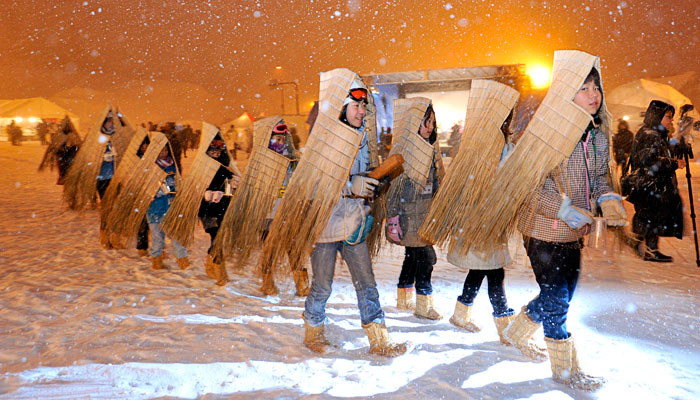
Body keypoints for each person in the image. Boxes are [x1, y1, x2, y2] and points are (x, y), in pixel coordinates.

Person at [504, 67, 624, 390]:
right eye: (584, 88)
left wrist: (608, 198)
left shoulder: (596, 136)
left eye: (596, 87)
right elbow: (528, 184)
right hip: (541, 228)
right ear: (567, 93)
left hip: (573, 232)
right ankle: (566, 370)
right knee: (557, 299)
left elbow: (598, 177)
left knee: (563, 293)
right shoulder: (547, 132)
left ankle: (516, 332)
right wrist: (563, 209)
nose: (593, 94)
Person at [303, 77, 408, 357]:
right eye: (356, 105)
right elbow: (314, 183)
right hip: (325, 225)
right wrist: (350, 186)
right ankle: (313, 329)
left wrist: (374, 183)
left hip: (354, 223)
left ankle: (379, 337)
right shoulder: (323, 141)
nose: (362, 111)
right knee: (323, 284)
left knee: (366, 283)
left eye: (364, 105)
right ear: (341, 107)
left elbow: (365, 175)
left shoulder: (363, 140)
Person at [448, 114, 517, 341]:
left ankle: (462, 313)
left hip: (491, 220)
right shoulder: (486, 149)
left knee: (480, 270)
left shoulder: (504, 146)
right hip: (481, 218)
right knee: (493, 272)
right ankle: (503, 322)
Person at [386, 103, 442, 320]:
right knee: (425, 259)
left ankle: (404, 297)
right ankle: (424, 304)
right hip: (410, 217)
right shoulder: (406, 151)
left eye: (432, 123)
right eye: (425, 122)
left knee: (412, 257)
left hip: (426, 215)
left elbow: (436, 182)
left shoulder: (431, 147)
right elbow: (395, 189)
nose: (429, 127)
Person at [628, 100, 684, 262]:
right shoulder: (649, 135)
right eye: (668, 116)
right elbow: (649, 160)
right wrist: (673, 163)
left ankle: (638, 240)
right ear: (657, 116)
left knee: (648, 214)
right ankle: (650, 250)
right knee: (653, 215)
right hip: (650, 184)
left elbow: (659, 154)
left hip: (651, 184)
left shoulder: (655, 133)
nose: (671, 120)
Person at [260, 122, 309, 296]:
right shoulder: (261, 163)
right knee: (268, 251)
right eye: (276, 139)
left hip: (289, 214)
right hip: (268, 215)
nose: (280, 143)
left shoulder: (294, 160)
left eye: (283, 139)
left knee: (294, 249)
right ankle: (267, 283)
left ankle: (302, 284)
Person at [198, 136, 239, 285]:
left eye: (218, 151)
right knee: (216, 238)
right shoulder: (201, 168)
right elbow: (195, 189)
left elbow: (231, 183)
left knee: (218, 239)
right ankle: (219, 271)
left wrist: (233, 184)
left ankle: (212, 264)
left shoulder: (225, 168)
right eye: (212, 151)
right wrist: (207, 193)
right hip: (207, 210)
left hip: (222, 209)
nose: (215, 154)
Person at [147, 145, 189, 270]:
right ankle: (157, 262)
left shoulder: (172, 165)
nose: (163, 153)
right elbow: (146, 186)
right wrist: (155, 192)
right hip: (155, 208)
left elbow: (178, 181)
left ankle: (183, 260)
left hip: (171, 207)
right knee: (157, 237)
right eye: (160, 151)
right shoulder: (151, 166)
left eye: (165, 150)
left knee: (176, 235)